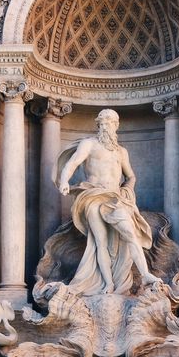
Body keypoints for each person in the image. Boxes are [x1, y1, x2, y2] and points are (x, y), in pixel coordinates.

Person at [52, 109, 163, 296]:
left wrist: (127, 189)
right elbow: (72, 163)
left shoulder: (121, 152)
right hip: (92, 196)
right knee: (99, 242)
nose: (105, 126)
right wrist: (64, 181)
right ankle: (108, 284)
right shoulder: (89, 144)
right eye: (102, 123)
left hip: (115, 198)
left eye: (109, 123)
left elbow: (131, 176)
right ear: (98, 125)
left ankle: (145, 274)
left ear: (116, 126)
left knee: (130, 233)